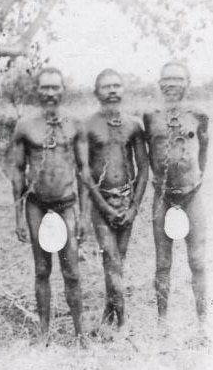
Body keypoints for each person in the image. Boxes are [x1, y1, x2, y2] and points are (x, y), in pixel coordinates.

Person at [11, 67, 90, 341]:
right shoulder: (25, 125)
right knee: (42, 269)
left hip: (66, 205)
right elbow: (18, 171)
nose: (50, 93)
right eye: (44, 87)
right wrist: (19, 216)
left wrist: (85, 215)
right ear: (37, 90)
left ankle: (80, 333)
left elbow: (84, 170)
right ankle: (44, 334)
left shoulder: (75, 124)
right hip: (36, 205)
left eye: (55, 87)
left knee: (72, 272)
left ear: (62, 90)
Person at [143, 61, 208, 325]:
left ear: (187, 84)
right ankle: (162, 322)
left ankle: (203, 321)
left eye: (178, 79)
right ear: (159, 83)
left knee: (198, 261)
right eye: (167, 79)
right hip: (163, 197)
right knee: (162, 262)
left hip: (191, 196)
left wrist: (198, 177)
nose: (172, 84)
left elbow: (204, 147)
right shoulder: (150, 116)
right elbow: (148, 152)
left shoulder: (199, 115)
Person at [86, 69, 149, 328]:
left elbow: (143, 168)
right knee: (110, 258)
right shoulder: (88, 126)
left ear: (123, 90)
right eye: (106, 86)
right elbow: (85, 173)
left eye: (116, 85)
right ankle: (122, 322)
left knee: (116, 260)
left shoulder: (134, 125)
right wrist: (103, 207)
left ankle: (109, 311)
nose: (112, 90)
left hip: (126, 201)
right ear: (96, 93)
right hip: (101, 204)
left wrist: (134, 206)